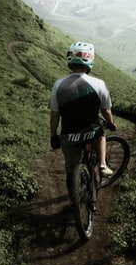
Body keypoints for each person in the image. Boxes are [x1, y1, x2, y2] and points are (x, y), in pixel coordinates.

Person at [49, 41, 116, 201]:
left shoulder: (58, 85)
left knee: (71, 172)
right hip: (91, 133)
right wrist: (111, 123)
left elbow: (55, 114)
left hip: (69, 136)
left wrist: (53, 135)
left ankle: (74, 203)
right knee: (101, 134)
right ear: (90, 61)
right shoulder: (99, 84)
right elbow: (106, 110)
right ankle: (102, 164)